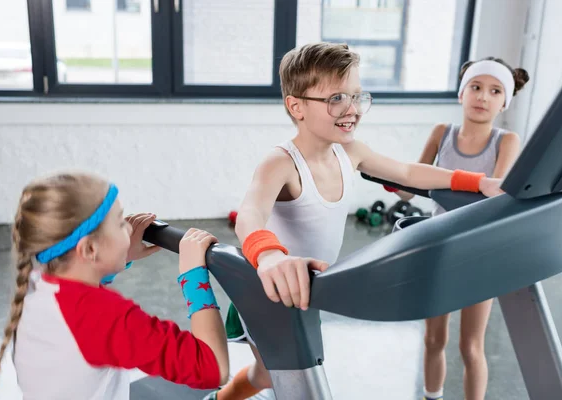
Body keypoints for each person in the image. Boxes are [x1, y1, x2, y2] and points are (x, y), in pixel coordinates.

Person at [205, 42, 504, 400]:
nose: (351, 109)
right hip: (270, 288)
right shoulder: (281, 163)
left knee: (269, 374)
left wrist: (479, 182)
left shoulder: (350, 151)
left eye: (357, 96)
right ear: (296, 106)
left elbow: (409, 172)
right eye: (336, 99)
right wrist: (270, 255)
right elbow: (250, 214)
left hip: (307, 291)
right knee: (279, 377)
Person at [0, 172, 229, 400]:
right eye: (120, 223)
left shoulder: (35, 281)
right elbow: (213, 367)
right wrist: (193, 276)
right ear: (90, 249)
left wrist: (117, 258)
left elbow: (79, 308)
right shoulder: (103, 316)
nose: (129, 227)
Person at [389, 57, 529, 400]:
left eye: (495, 91)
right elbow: (411, 185)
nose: (483, 96)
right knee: (433, 339)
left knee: (471, 346)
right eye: (476, 87)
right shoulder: (441, 133)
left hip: (481, 252)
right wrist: (387, 176)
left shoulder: (506, 141)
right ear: (461, 93)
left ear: (504, 101)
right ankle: (431, 396)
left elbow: (496, 193)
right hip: (437, 250)